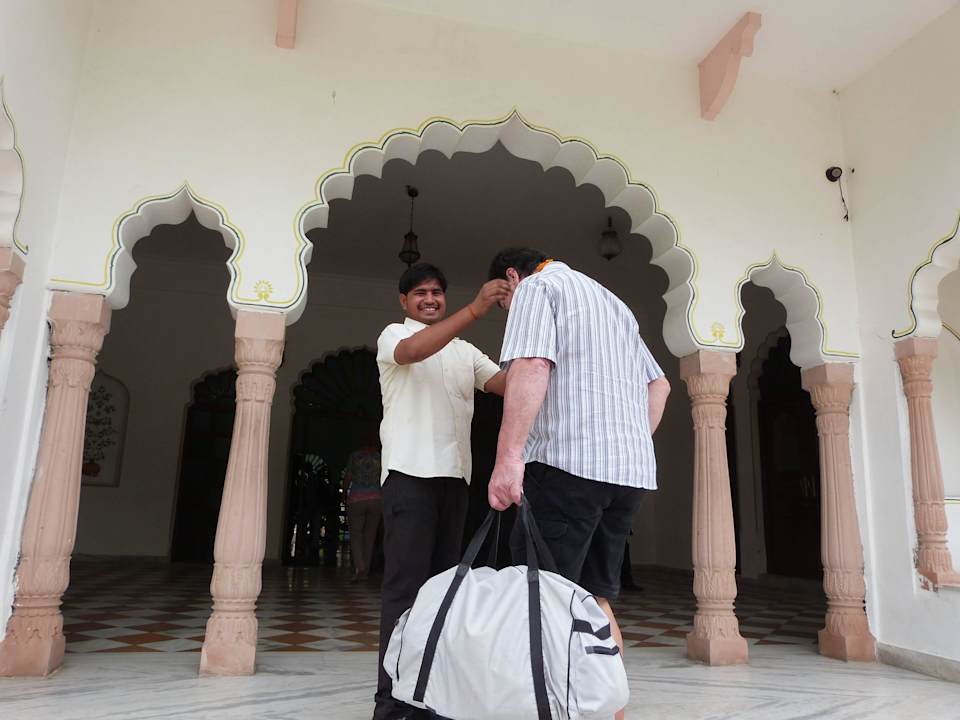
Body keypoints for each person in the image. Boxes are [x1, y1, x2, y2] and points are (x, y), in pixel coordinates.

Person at [487, 248, 670, 720]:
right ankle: (612, 711)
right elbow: (660, 385)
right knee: (595, 597)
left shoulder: (537, 288)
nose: (508, 307)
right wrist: (625, 438)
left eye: (503, 302)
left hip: (567, 468)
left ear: (511, 278)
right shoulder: (613, 303)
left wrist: (508, 458)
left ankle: (552, 710)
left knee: (545, 598)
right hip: (627, 474)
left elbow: (531, 364)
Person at [374, 262, 509, 720]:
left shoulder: (464, 351)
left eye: (436, 292)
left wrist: (541, 347)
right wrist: (476, 308)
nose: (429, 299)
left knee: (443, 596)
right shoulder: (393, 335)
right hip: (409, 478)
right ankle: (390, 702)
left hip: (455, 483)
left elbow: (504, 384)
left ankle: (430, 698)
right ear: (404, 301)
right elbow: (413, 352)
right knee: (405, 592)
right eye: (420, 293)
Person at [343, 438, 383, 582]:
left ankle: (360, 567)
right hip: (376, 499)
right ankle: (365, 571)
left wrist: (344, 494)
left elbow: (348, 476)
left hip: (356, 499)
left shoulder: (354, 456)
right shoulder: (381, 457)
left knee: (356, 534)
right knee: (370, 536)